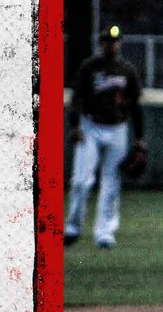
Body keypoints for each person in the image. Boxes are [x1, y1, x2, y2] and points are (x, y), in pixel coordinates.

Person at [63, 24, 146, 249]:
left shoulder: (127, 70)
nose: (112, 44)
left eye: (115, 40)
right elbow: (76, 100)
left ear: (120, 43)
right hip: (91, 126)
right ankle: (73, 227)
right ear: (101, 43)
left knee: (111, 183)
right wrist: (75, 126)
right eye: (108, 40)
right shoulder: (89, 67)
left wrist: (139, 138)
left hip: (118, 129)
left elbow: (136, 105)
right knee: (81, 180)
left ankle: (105, 233)